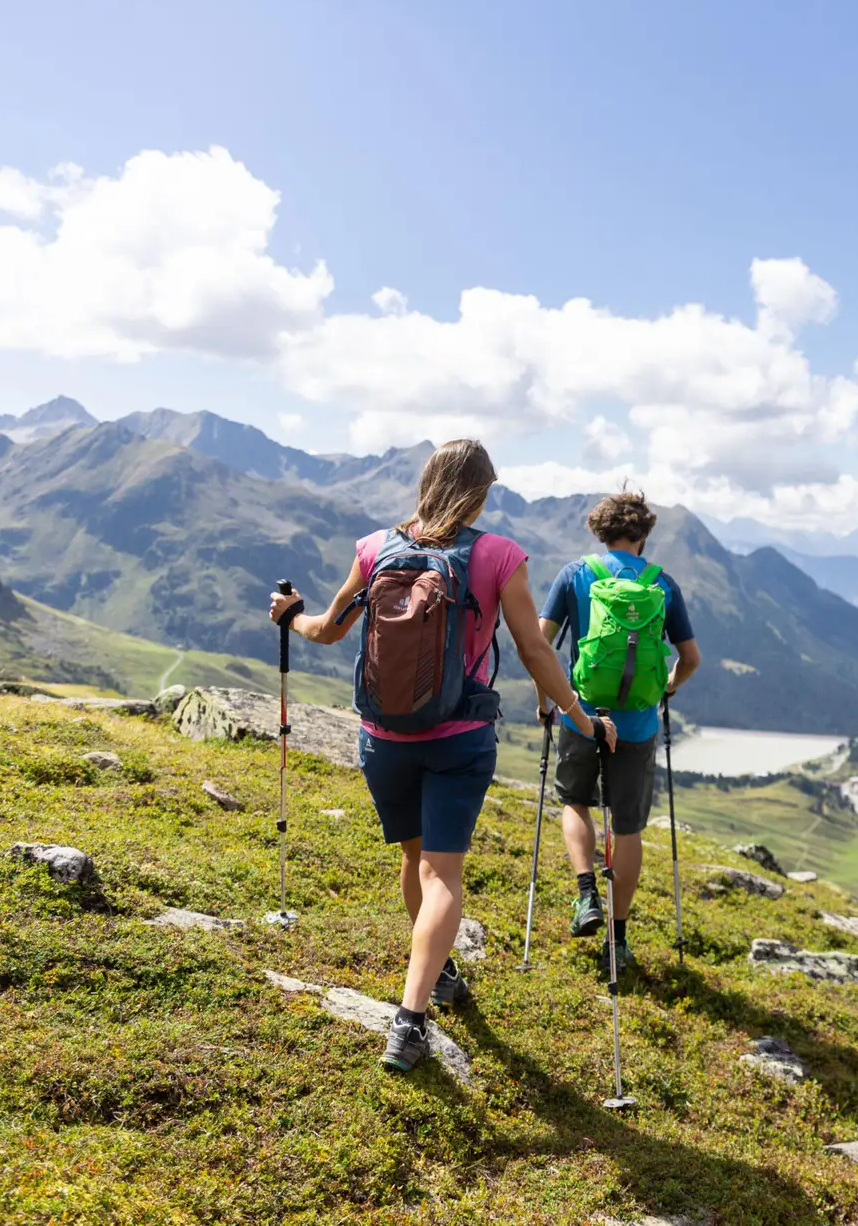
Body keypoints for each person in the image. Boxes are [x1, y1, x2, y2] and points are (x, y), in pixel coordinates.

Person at [270, 439, 614, 1074]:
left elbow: (327, 628)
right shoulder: (498, 556)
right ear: (482, 492)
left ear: (425, 482)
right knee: (442, 875)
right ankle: (410, 1018)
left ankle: (439, 974)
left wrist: (289, 616)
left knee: (414, 859)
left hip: (383, 737)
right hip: (458, 739)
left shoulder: (375, 549)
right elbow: (537, 652)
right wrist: (579, 715)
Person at [539, 491, 701, 973]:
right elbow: (690, 659)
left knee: (575, 801)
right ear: (644, 535)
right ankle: (618, 939)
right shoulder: (662, 584)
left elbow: (539, 643)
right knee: (626, 828)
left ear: (599, 531)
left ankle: (586, 893)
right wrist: (664, 690)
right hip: (638, 724)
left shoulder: (575, 574)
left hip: (580, 714)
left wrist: (546, 698)